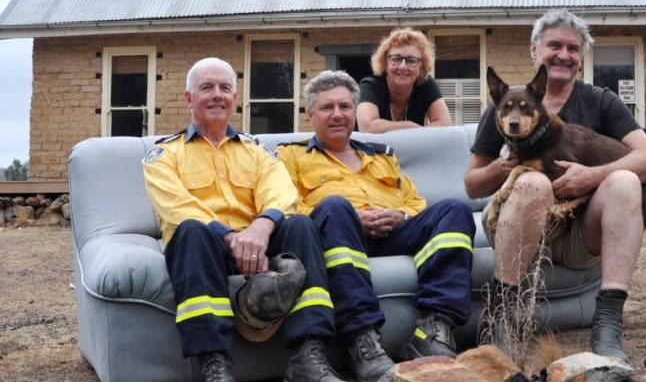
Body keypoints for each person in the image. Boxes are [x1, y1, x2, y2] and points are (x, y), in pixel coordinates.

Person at [464, 10, 646, 365]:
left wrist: (592, 175)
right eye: (554, 45)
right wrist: (503, 165)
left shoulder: (601, 101)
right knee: (533, 181)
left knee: (625, 179)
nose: (563, 54)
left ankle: (607, 322)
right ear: (534, 50)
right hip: (520, 231)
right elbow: (471, 184)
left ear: (580, 57)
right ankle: (504, 320)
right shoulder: (507, 108)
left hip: (578, 237)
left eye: (573, 48)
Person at [142, 57, 345, 382]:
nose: (217, 95)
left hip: (258, 246)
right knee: (191, 229)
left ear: (235, 99)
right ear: (189, 98)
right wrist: (231, 237)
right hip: (205, 249)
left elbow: (281, 193)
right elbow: (177, 206)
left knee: (300, 224)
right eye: (207, 88)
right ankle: (215, 363)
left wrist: (262, 228)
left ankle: (308, 354)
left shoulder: (257, 151)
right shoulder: (164, 155)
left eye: (225, 88)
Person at [277, 70, 475, 382]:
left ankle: (435, 330)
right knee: (335, 206)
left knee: (454, 209)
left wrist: (401, 218)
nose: (338, 115)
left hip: (392, 233)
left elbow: (415, 203)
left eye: (345, 107)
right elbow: (287, 207)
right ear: (310, 114)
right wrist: (351, 216)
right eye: (327, 108)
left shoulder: (381, 156)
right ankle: (362, 341)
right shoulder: (291, 155)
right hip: (336, 234)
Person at [357, 27, 452, 132]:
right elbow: (367, 127)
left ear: (422, 66)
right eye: (396, 59)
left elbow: (445, 125)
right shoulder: (370, 85)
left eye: (411, 61)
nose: (402, 67)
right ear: (385, 62)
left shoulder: (425, 84)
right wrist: (412, 127)